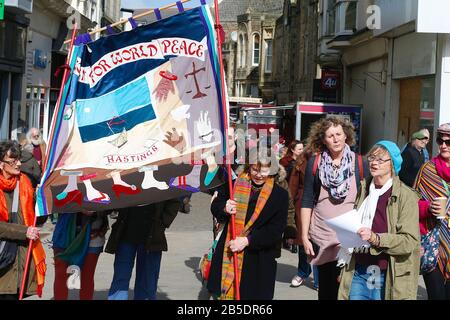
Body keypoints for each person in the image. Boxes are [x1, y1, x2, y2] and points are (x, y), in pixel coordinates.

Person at [338, 141, 420, 300]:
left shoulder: (406, 196)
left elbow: (409, 241)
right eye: (372, 158)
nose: (374, 162)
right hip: (358, 270)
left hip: (388, 274)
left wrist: (376, 238)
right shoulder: (364, 188)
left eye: (381, 159)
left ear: (393, 165)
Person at [300, 117, 369, 300]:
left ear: (346, 135)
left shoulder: (360, 163)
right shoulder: (314, 163)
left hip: (350, 237)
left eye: (339, 134)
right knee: (327, 290)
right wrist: (304, 236)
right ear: (323, 140)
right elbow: (307, 200)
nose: (336, 139)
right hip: (322, 236)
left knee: (348, 288)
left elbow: (369, 199)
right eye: (330, 136)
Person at [207, 151, 289, 300]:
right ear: (248, 167)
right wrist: (224, 208)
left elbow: (276, 230)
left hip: (258, 258)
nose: (258, 175)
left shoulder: (280, 195)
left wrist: (247, 241)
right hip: (229, 250)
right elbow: (215, 205)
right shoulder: (234, 184)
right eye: (254, 169)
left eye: (263, 170)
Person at [106, 199, 180, 300]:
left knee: (147, 281)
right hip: (126, 233)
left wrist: (163, 222)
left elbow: (174, 198)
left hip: (152, 235)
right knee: (120, 279)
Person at [0, 140, 46, 300]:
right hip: (3, 263)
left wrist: (42, 200)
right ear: (1, 164)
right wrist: (24, 232)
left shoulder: (25, 183)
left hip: (20, 259)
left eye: (19, 159)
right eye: (13, 161)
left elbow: (38, 218)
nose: (19, 164)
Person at [414, 123, 450, 300]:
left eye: (448, 142)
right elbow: (412, 205)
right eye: (440, 141)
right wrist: (428, 207)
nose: (443, 145)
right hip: (432, 246)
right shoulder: (427, 170)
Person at [52, 211, 109, 300]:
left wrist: (97, 209)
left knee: (87, 276)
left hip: (93, 233)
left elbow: (112, 204)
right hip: (64, 232)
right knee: (61, 274)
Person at [288, 145, 319, 290]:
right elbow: (293, 185)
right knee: (303, 240)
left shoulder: (334, 157)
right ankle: (302, 271)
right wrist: (290, 204)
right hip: (302, 203)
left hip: (325, 204)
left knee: (323, 242)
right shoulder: (303, 158)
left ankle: (320, 278)